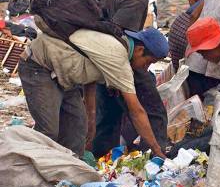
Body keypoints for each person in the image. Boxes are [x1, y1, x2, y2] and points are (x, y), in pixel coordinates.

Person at [19, 27, 169, 158]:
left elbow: (90, 77)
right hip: (39, 66)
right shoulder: (118, 57)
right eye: (149, 62)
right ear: (139, 50)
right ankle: (25, 169)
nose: (145, 67)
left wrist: (90, 118)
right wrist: (156, 149)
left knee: (77, 131)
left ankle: (65, 178)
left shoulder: (119, 47)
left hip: (65, 76)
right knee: (49, 130)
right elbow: (136, 111)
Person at [94, 0, 182, 157]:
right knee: (154, 110)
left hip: (101, 56)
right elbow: (121, 37)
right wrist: (117, 77)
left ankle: (101, 156)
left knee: (109, 116)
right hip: (120, 57)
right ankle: (154, 155)